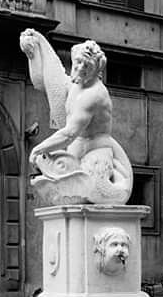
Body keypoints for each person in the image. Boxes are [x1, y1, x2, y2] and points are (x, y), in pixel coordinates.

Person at [19, 29, 132, 204]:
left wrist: (39, 149)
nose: (79, 68)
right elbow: (43, 82)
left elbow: (69, 133)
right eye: (78, 62)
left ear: (95, 71)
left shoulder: (93, 95)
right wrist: (33, 54)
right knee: (64, 196)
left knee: (90, 194)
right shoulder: (77, 83)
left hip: (96, 152)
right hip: (75, 150)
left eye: (86, 67)